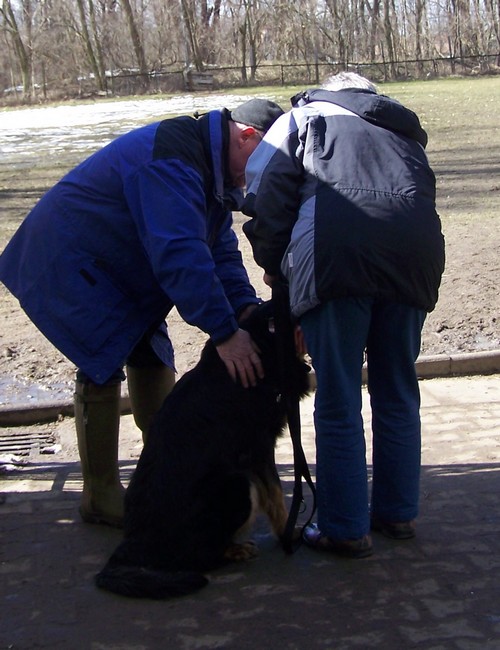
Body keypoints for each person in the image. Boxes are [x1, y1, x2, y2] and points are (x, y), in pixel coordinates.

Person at [0, 97, 284, 527]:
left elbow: (218, 249)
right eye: (264, 162)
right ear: (247, 137)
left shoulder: (211, 166)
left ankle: (170, 470)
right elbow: (180, 256)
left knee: (151, 353)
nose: (258, 178)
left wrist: (244, 309)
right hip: (72, 259)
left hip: (117, 265)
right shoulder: (174, 161)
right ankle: (101, 495)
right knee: (102, 361)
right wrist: (225, 334)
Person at [242, 72, 445, 558]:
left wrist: (276, 267)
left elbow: (265, 189)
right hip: (414, 263)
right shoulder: (406, 133)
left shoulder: (302, 118)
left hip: (336, 260)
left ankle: (344, 527)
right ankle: (398, 514)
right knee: (397, 389)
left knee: (337, 397)